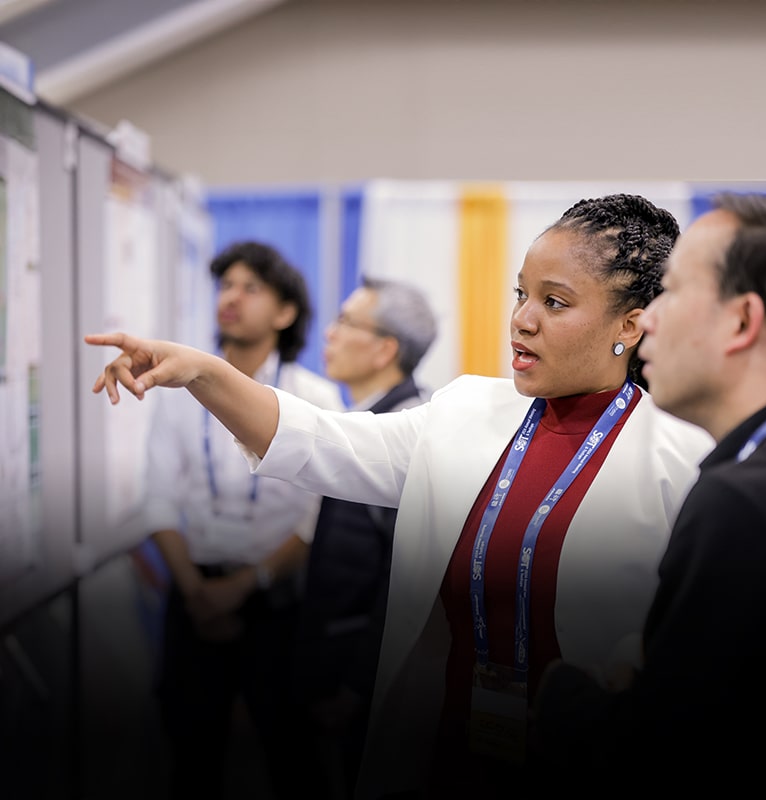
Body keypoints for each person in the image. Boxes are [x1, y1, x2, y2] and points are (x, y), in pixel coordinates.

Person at [85, 194, 714, 800]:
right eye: (521, 293)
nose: (523, 319)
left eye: (554, 301)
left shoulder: (682, 458)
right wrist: (204, 371)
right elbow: (320, 441)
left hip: (583, 762)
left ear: (630, 325)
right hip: (449, 752)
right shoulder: (467, 411)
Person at [530, 192, 766, 791]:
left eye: (671, 292)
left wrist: (566, 697)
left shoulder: (747, 503)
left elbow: (667, 756)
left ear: (741, 321)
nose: (647, 320)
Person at [138, 240, 343, 800]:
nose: (231, 297)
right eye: (226, 285)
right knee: (190, 757)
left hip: (277, 602)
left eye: (251, 288)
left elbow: (315, 518)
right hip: (194, 594)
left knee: (293, 758)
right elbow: (157, 498)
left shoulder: (315, 397)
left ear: (285, 312)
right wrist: (197, 592)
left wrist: (245, 585)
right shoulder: (177, 390)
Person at [294, 276, 437, 799]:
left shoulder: (407, 435)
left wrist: (357, 686)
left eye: (346, 322)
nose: (328, 334)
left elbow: (406, 578)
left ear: (385, 349)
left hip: (366, 678)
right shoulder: (364, 419)